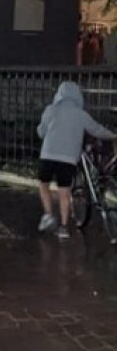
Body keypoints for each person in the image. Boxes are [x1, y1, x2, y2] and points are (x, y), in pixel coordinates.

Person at [37, 81, 116, 240]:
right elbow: (96, 129)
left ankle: (48, 215)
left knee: (43, 184)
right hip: (69, 158)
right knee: (64, 191)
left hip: (48, 155)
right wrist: (113, 135)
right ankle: (64, 228)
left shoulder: (50, 110)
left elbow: (41, 131)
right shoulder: (81, 115)